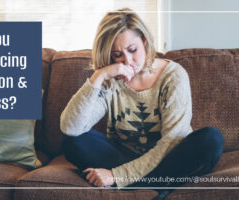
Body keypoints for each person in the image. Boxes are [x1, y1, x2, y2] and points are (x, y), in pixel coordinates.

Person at [60, 8, 224, 200]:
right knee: (73, 140)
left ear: (144, 42)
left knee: (211, 138)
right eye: (117, 54)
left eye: (132, 50)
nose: (127, 61)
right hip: (123, 157)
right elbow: (70, 127)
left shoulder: (173, 76)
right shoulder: (112, 79)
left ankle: (133, 184)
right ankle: (158, 186)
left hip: (167, 158)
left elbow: (170, 142)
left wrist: (116, 175)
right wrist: (99, 76)